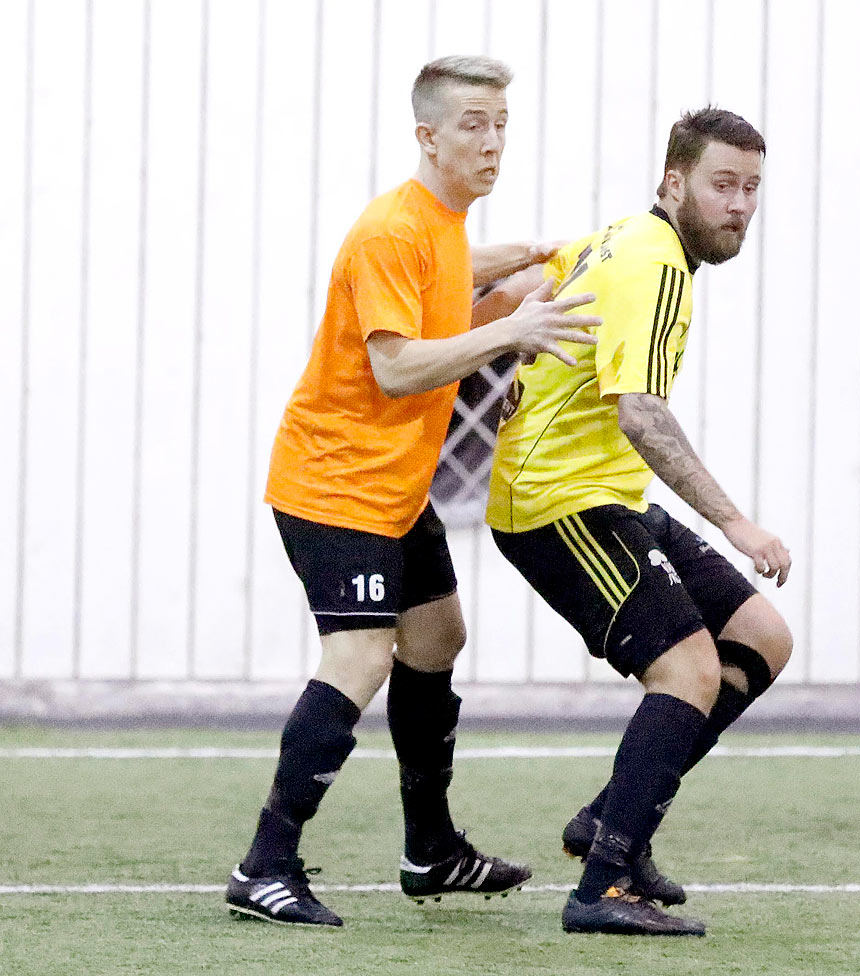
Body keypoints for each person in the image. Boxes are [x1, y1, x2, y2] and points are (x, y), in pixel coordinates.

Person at [225, 55, 600, 928]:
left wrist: (550, 255)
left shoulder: (445, 225)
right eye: (473, 123)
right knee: (359, 658)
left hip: (392, 486)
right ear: (427, 136)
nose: (493, 140)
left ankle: (430, 852)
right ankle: (263, 865)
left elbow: (458, 276)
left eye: (502, 122)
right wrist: (513, 327)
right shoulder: (393, 229)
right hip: (333, 484)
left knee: (437, 636)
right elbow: (395, 368)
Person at [485, 107, 794, 936]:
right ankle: (601, 888)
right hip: (556, 501)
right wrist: (739, 524)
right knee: (689, 672)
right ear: (673, 182)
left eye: (752, 188)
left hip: (608, 494)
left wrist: (511, 358)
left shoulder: (625, 237)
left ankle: (610, 822)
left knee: (762, 638)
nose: (738, 205)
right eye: (722, 184)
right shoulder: (654, 261)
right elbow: (642, 417)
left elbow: (528, 288)